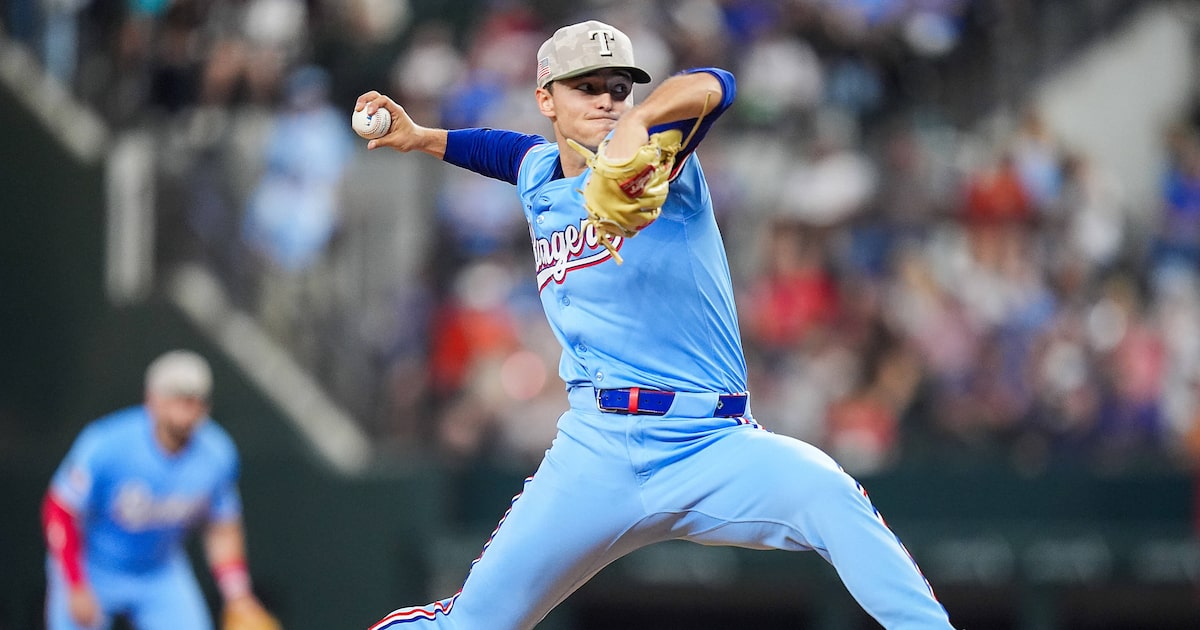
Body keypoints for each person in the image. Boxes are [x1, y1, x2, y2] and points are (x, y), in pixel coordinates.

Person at [355, 19, 955, 629]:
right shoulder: (537, 172)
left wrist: (641, 123)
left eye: (619, 87)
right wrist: (423, 137)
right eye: (585, 87)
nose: (606, 100)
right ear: (546, 100)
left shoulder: (659, 156)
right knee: (472, 624)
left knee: (828, 493)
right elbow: (501, 150)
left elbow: (716, 85)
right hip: (597, 448)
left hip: (708, 442)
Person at [41, 350, 278, 630]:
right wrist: (74, 582)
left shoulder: (217, 454)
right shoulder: (107, 443)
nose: (186, 408)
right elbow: (60, 509)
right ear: (151, 398)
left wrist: (237, 594)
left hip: (159, 570)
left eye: (194, 399)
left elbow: (222, 526)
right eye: (176, 397)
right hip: (92, 565)